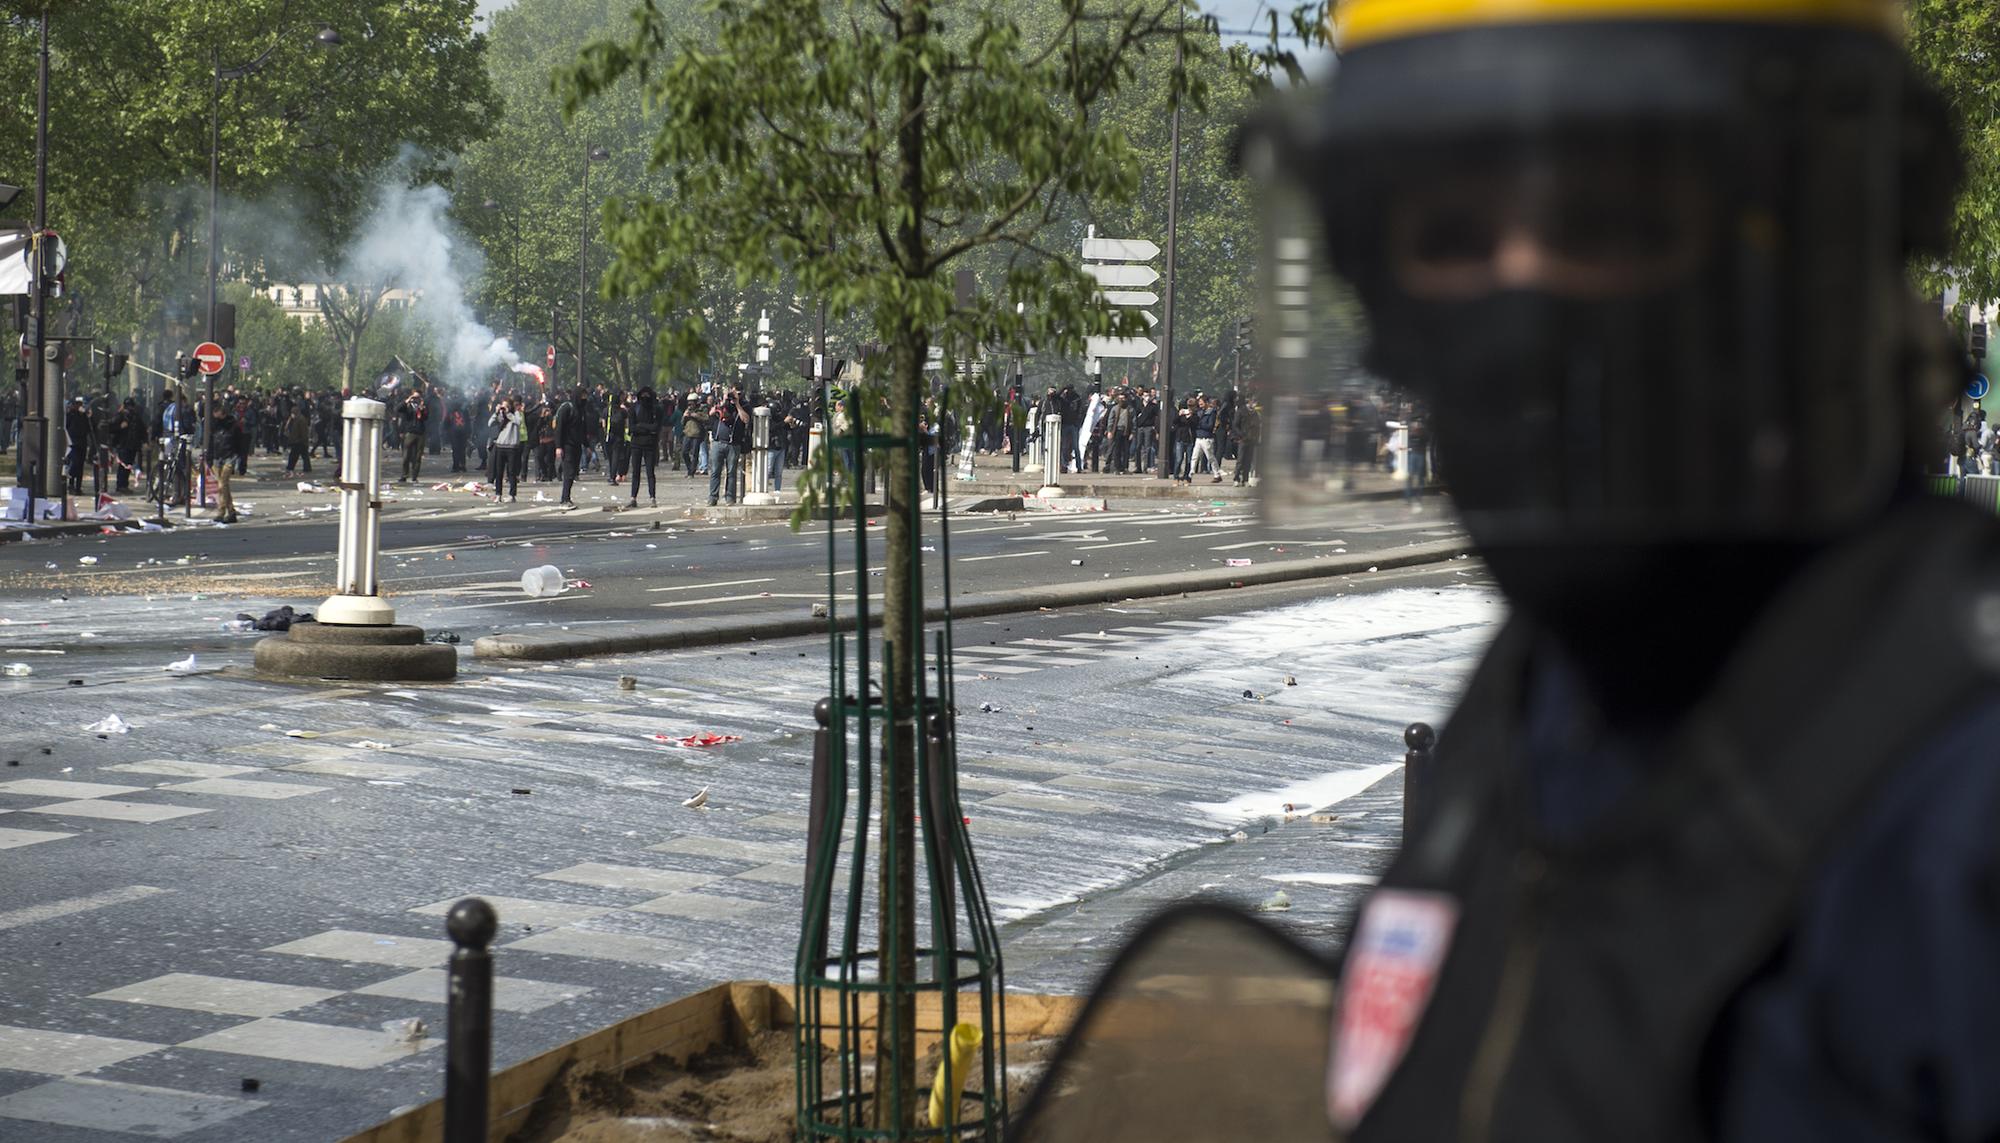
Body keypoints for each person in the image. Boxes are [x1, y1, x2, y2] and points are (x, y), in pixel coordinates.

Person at [1218, 0, 1994, 1138]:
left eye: (1608, 222)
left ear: (1802, 251)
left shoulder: (1963, 798)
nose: (1519, 312)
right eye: (1446, 239)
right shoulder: (1536, 697)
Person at [708, 392, 746, 506]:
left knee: (731, 472)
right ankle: (713, 497)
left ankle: (730, 497)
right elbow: (710, 413)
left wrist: (737, 404)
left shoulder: (739, 409)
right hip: (717, 442)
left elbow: (746, 419)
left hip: (733, 444)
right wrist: (723, 401)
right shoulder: (720, 406)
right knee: (715, 471)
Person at [554, 387, 588, 508]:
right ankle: (564, 499)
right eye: (582, 396)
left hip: (577, 445)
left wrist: (587, 445)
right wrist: (558, 446)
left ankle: (567, 498)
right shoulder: (567, 408)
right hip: (567, 445)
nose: (584, 399)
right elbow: (559, 428)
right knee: (568, 472)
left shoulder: (581, 410)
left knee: (573, 472)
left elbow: (582, 429)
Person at [627, 387, 661, 508]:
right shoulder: (634, 408)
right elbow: (632, 428)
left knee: (650, 472)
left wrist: (640, 426)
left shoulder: (655, 409)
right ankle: (633, 497)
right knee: (635, 472)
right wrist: (647, 428)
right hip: (636, 444)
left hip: (650, 445)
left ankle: (652, 497)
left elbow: (656, 427)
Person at [487, 396, 523, 503]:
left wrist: (508, 413)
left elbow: (518, 422)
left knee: (511, 472)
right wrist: (496, 412)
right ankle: (498, 494)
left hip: (512, 447)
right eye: (503, 405)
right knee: (499, 472)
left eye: (507, 406)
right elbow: (490, 424)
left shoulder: (515, 414)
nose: (504, 408)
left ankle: (512, 495)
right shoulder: (500, 415)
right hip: (500, 446)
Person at [395, 391, 428, 483]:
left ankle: (414, 476)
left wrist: (422, 408)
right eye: (414, 397)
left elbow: (426, 417)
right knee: (406, 456)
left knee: (417, 456)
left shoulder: (423, 406)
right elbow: (398, 409)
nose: (415, 399)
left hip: (420, 433)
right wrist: (408, 400)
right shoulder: (408, 406)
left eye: (417, 397)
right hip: (410, 432)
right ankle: (404, 475)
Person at [282, 403, 311, 475]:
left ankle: (290, 467)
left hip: (298, 441)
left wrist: (302, 439)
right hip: (299, 440)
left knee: (294, 455)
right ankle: (307, 467)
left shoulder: (300, 420)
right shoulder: (296, 419)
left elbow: (303, 431)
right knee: (304, 455)